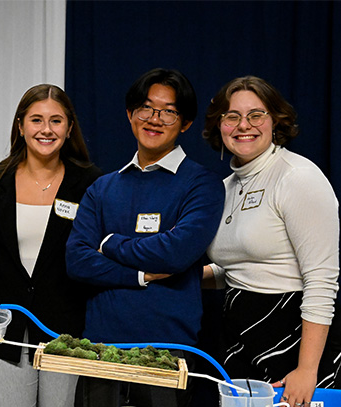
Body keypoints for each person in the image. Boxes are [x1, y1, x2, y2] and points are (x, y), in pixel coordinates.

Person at [66, 68, 225, 407]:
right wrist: (139, 275)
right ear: (130, 114)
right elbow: (77, 259)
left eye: (169, 111)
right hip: (99, 350)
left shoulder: (202, 184)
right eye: (146, 108)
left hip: (168, 352)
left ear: (185, 123)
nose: (155, 119)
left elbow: (175, 253)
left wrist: (109, 245)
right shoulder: (102, 188)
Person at [202, 76, 341, 407]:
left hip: (295, 339)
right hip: (241, 339)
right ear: (219, 125)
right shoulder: (224, 188)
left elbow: (321, 279)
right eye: (232, 116)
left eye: (256, 114)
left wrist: (307, 369)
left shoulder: (297, 177)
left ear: (275, 120)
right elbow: (242, 267)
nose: (243, 125)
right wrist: (180, 279)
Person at [0, 84, 101, 407]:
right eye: (36, 120)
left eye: (56, 120)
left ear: (69, 129)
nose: (46, 129)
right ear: (20, 126)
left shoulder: (91, 183)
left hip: (68, 332)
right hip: (7, 332)